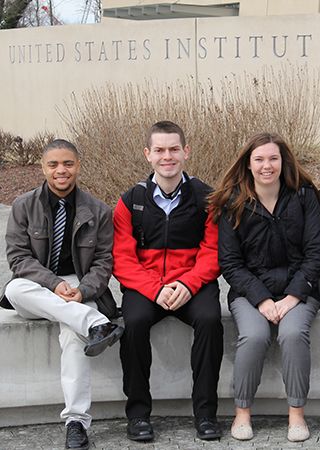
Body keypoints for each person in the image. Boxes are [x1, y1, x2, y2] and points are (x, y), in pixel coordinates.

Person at [0, 139, 122, 450]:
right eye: (53, 164)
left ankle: (76, 422)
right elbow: (18, 258)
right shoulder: (23, 206)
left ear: (78, 166)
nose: (61, 170)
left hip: (79, 288)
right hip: (38, 287)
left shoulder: (99, 211)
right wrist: (54, 284)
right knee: (14, 288)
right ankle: (96, 323)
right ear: (42, 168)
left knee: (71, 336)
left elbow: (104, 262)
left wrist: (82, 291)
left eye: (67, 163)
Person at [210, 132, 320, 442]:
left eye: (273, 158)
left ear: (283, 161)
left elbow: (318, 253)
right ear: (248, 164)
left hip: (299, 289)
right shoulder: (234, 203)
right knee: (254, 335)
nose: (267, 166)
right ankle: (242, 412)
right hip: (251, 293)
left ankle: (296, 414)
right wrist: (262, 300)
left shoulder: (303, 196)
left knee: (292, 334)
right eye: (260, 159)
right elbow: (231, 263)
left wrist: (292, 297)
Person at [112, 121, 224, 442]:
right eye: (159, 150)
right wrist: (155, 289)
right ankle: (137, 415)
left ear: (186, 152)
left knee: (209, 320)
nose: (167, 156)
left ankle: (205, 414)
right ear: (148, 154)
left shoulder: (207, 198)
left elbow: (213, 251)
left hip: (193, 283)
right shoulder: (130, 201)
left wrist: (187, 285)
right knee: (132, 323)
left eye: (174, 149)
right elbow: (123, 259)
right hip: (148, 286)